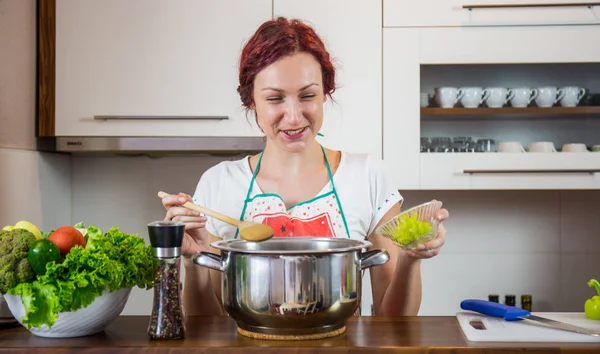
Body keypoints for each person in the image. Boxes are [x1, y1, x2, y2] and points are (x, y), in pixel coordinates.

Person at [161, 17, 449, 317]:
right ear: (251, 102)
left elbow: (394, 325)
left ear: (326, 92)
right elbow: (207, 330)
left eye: (308, 95)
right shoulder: (219, 183)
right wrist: (192, 261)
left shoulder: (367, 176)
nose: (295, 116)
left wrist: (410, 259)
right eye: (275, 98)